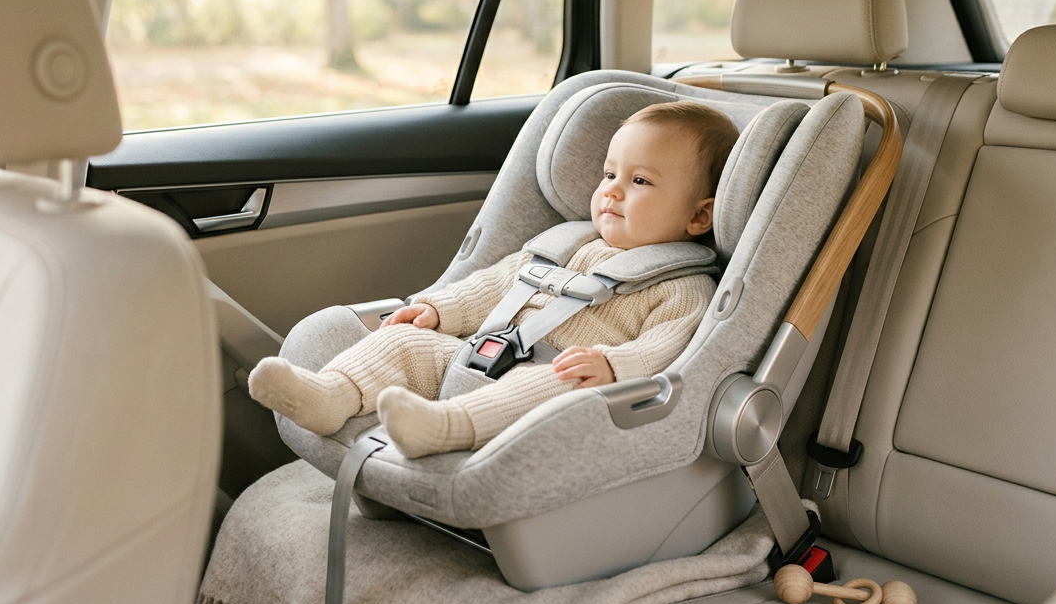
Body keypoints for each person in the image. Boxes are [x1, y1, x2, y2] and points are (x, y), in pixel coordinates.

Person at [250, 101, 739, 458]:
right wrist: (440, 310)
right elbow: (498, 282)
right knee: (401, 342)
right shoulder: (568, 244)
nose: (611, 190)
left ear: (699, 217)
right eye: (609, 173)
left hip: (558, 382)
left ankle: (444, 428)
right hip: (480, 353)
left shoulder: (684, 286)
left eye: (639, 181)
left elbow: (670, 351)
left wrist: (613, 365)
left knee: (549, 388)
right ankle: (330, 395)